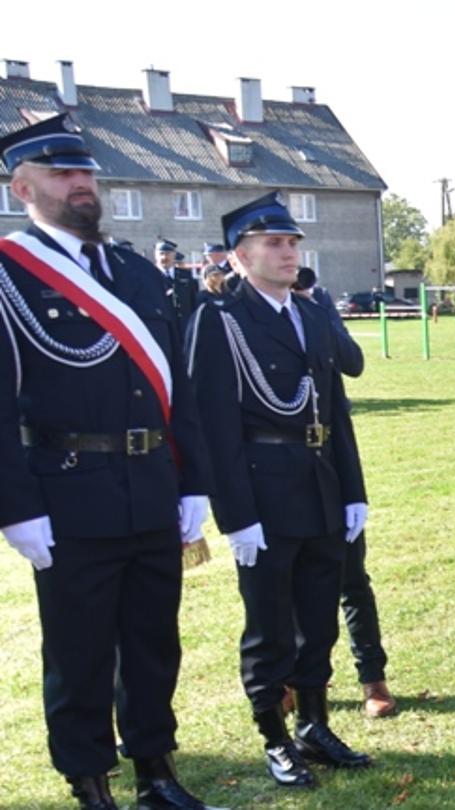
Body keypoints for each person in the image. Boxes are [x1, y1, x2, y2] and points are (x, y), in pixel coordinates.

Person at [0, 114, 218, 810]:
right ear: (23, 187)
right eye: (65, 174)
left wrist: (193, 482)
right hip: (68, 495)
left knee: (155, 643)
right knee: (80, 652)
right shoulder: (11, 276)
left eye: (88, 172)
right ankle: (89, 782)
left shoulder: (130, 269)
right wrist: (16, 508)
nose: (82, 185)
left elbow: (174, 385)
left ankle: (155, 769)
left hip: (151, 485)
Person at [187, 193, 373, 787]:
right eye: (273, 243)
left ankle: (314, 727)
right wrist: (235, 515)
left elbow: (333, 410)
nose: (288, 252)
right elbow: (213, 425)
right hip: (264, 492)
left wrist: (352, 489)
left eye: (293, 242)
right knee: (269, 625)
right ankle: (275, 738)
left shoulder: (312, 313)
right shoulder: (221, 320)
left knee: (318, 619)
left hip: (319, 483)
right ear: (241, 256)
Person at [293, 268, 398, 717]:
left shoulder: (317, 310)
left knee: (351, 579)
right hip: (274, 463)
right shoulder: (237, 315)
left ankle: (372, 678)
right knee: (287, 584)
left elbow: (352, 362)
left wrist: (314, 307)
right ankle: (295, 680)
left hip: (330, 457)